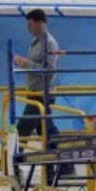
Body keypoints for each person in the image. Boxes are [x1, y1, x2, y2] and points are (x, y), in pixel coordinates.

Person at [12, 9, 65, 161]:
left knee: (23, 128)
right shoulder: (36, 42)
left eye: (30, 24)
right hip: (36, 92)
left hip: (42, 94)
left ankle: (9, 161)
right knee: (47, 131)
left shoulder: (48, 43)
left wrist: (25, 63)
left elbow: (48, 70)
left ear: (39, 23)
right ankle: (66, 164)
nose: (28, 27)